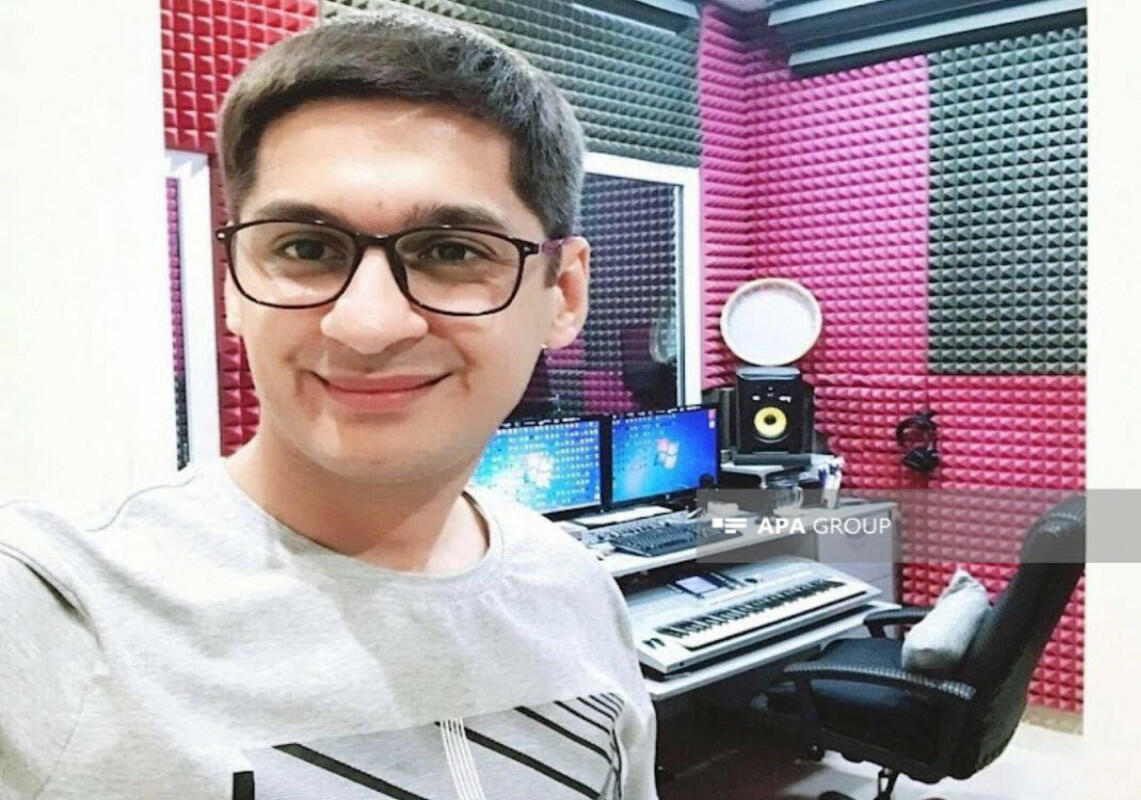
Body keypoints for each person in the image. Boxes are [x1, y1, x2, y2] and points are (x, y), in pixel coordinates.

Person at [0, 10, 658, 799]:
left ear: (565, 294)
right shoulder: (48, 610)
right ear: (233, 285)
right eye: (306, 248)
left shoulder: (577, 591)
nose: (367, 324)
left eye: (451, 251)